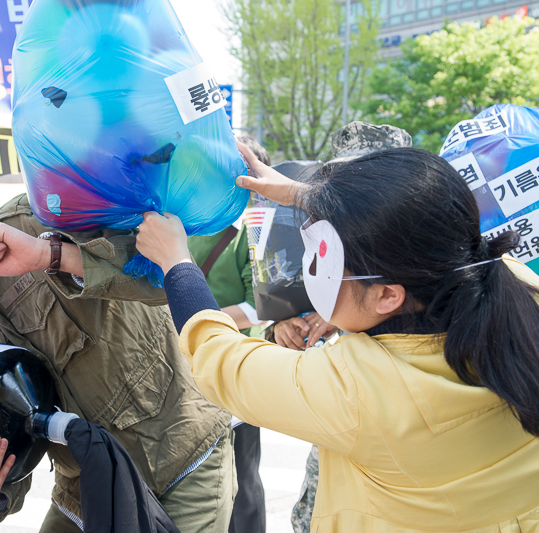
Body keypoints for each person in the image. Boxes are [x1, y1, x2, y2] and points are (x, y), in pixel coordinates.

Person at [135, 145, 539, 532]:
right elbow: (416, 225)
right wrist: (304, 194)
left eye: (323, 257)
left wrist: (176, 262)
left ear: (387, 296)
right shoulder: (511, 284)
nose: (309, 266)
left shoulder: (358, 391)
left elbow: (219, 359)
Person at [0, 151, 235, 533]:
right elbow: (4, 448)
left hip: (182, 447)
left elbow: (159, 277)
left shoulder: (35, 216)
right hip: (86, 481)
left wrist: (52, 255)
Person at [260, 121, 412, 533]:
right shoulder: (326, 234)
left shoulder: (420, 245)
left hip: (398, 442)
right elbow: (287, 300)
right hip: (337, 430)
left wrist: (347, 310)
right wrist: (281, 328)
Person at [187, 133, 267, 533]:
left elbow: (261, 306)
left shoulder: (253, 230)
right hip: (184, 370)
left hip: (234, 374)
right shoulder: (185, 221)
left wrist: (193, 318)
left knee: (242, 480)